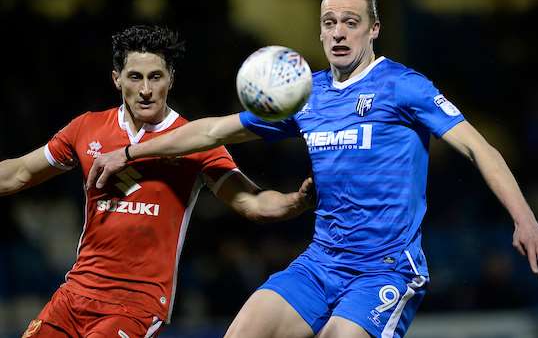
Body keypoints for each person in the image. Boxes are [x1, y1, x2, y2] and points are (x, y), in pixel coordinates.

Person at [88, 0, 538, 338]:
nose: (338, 32)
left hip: (386, 268)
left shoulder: (403, 85)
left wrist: (525, 219)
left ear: (373, 29)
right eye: (329, 22)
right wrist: (131, 150)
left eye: (351, 22)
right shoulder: (303, 96)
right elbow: (212, 130)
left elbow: (479, 147)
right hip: (320, 264)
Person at [0, 25, 314, 337]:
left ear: (171, 79)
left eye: (156, 77)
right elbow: (18, 173)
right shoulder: (87, 128)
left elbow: (253, 203)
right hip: (74, 293)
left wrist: (296, 202)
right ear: (117, 79)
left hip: (136, 304)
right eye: (135, 77)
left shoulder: (194, 141)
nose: (146, 89)